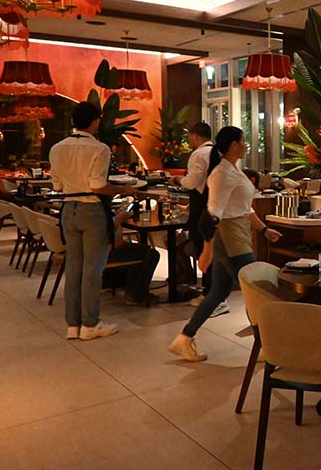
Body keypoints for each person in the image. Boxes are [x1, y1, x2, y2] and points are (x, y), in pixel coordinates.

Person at [169, 126, 282, 362]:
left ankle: (184, 338)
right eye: (243, 141)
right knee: (259, 289)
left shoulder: (231, 169)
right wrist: (208, 250)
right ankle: (268, 345)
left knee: (218, 292)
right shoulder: (221, 173)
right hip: (229, 236)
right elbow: (214, 214)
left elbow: (244, 207)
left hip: (236, 232)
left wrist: (263, 229)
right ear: (233, 146)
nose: (246, 145)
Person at [49, 102, 136, 341]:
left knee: (73, 268)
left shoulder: (57, 148)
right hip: (92, 210)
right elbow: (97, 186)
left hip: (68, 210)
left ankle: (72, 325)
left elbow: (56, 186)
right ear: (95, 121)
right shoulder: (99, 148)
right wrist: (123, 188)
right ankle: (90, 324)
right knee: (92, 270)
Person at [170, 122, 223, 313]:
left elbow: (191, 183)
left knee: (203, 249)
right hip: (217, 206)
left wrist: (177, 179)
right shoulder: (218, 153)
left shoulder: (199, 154)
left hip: (202, 209)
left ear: (195, 136)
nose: (189, 140)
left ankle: (211, 295)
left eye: (190, 136)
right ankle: (214, 292)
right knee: (214, 251)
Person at [105, 208, 160, 307]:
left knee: (143, 250)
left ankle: (132, 289)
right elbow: (106, 234)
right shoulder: (95, 213)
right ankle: (135, 294)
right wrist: (118, 219)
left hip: (106, 251)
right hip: (106, 254)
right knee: (151, 254)